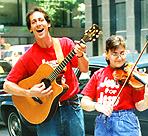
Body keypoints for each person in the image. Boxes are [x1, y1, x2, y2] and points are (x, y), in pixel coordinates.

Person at [3, 7, 88, 136]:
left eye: (41, 20)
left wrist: (81, 55)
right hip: (46, 113)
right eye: (33, 22)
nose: (38, 24)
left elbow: (84, 68)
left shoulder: (65, 44)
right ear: (31, 29)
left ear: (48, 24)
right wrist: (29, 92)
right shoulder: (29, 56)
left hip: (71, 107)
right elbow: (7, 85)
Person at [80, 35, 148, 136]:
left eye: (122, 53)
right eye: (114, 54)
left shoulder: (132, 75)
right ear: (107, 55)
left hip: (126, 122)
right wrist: (97, 106)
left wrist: (147, 98)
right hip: (102, 122)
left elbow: (140, 107)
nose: (119, 58)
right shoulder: (98, 74)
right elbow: (84, 102)